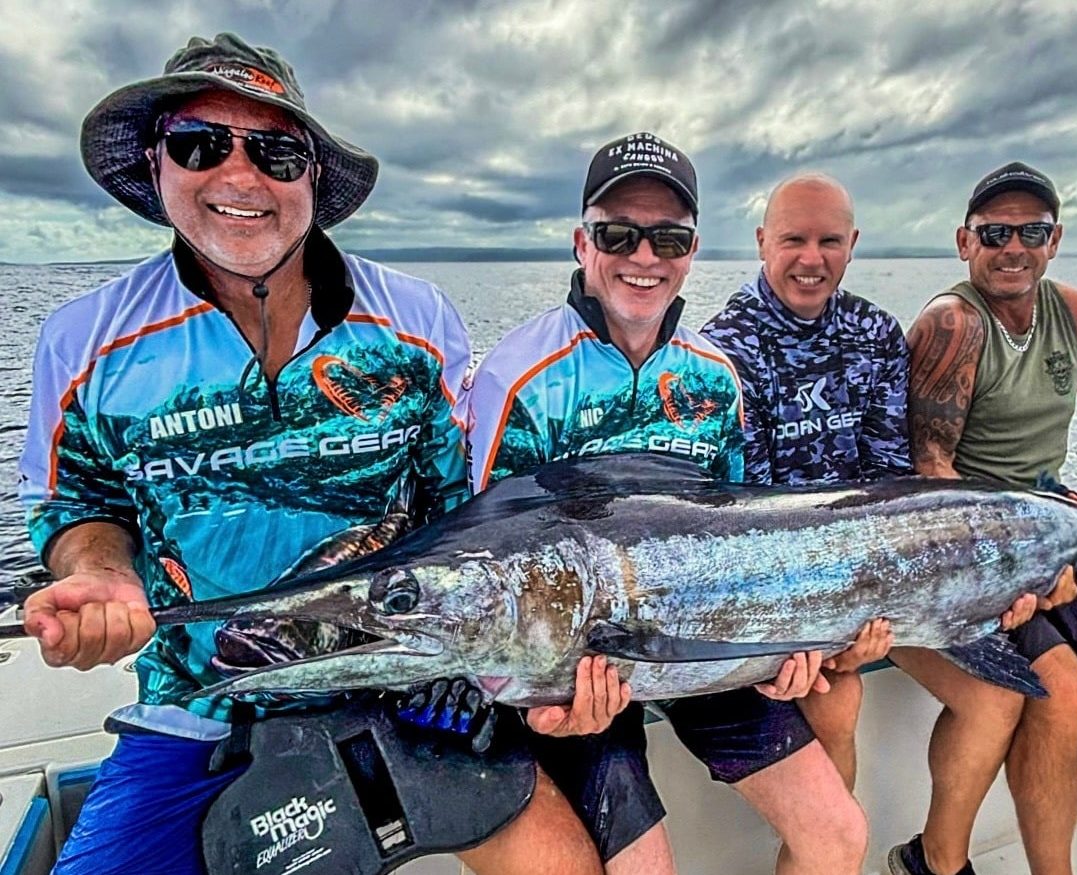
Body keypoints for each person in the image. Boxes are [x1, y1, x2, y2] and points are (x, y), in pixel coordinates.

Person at [17, 33, 602, 875]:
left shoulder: (414, 322)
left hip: (406, 682)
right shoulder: (84, 343)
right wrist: (102, 573)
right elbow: (79, 504)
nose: (240, 176)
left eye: (277, 151)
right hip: (201, 700)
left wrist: (483, 669)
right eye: (199, 144)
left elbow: (461, 512)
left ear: (312, 180)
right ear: (156, 164)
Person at [463, 134, 868, 875]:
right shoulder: (518, 379)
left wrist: (786, 647)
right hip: (583, 670)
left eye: (668, 238)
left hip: (704, 646)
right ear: (583, 242)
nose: (643, 257)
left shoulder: (715, 378)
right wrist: (538, 706)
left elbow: (747, 536)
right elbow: (488, 571)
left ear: (692, 250)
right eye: (619, 234)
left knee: (838, 833)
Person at [893, 161, 1077, 875]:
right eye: (994, 232)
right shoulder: (951, 325)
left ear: (1054, 239)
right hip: (979, 553)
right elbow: (932, 479)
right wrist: (1028, 568)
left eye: (1031, 230)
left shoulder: (1075, 314)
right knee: (1060, 694)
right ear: (964, 242)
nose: (1012, 246)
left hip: (1059, 522)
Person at [700, 172, 908, 790]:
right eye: (794, 240)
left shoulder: (877, 335)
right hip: (765, 576)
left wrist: (869, 608)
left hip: (866, 562)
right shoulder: (726, 348)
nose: (811, 260)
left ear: (853, 244)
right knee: (835, 702)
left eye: (830, 241)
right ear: (763, 242)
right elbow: (752, 512)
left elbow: (890, 484)